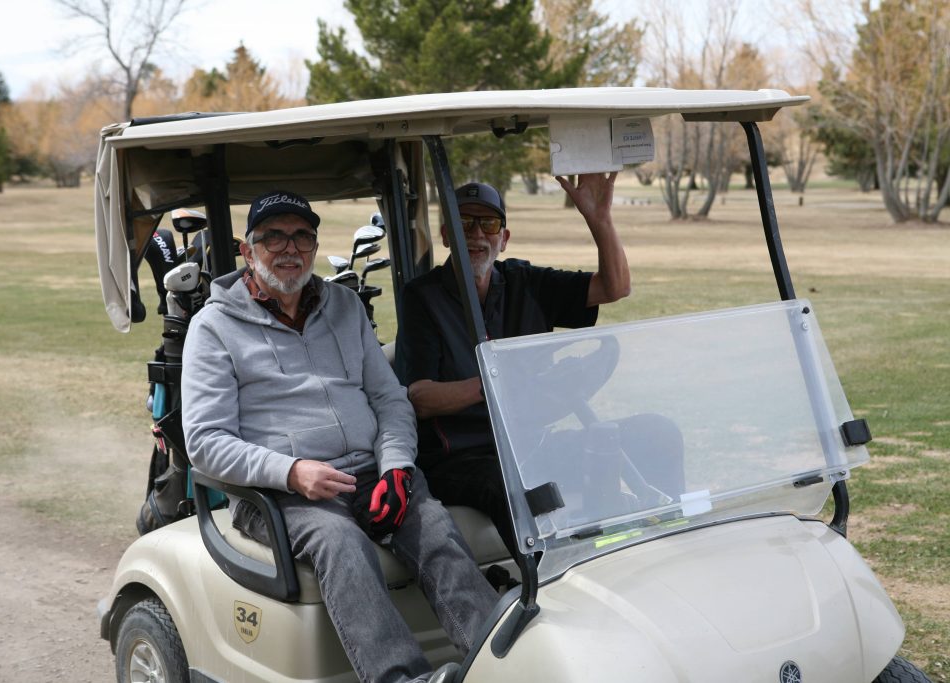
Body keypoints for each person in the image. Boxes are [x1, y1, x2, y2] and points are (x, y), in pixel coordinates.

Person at [181, 190, 499, 683]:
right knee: (341, 543)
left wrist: (396, 466)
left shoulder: (344, 307)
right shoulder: (214, 327)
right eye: (274, 238)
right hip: (279, 493)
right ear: (248, 251)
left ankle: (499, 667)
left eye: (303, 237)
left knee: (435, 529)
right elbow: (204, 440)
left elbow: (391, 400)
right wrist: (291, 471)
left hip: (371, 472)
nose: (291, 249)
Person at [395, 174, 684, 559]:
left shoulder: (525, 282)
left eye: (489, 224)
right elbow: (421, 396)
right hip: (459, 457)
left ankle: (675, 546)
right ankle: (552, 582)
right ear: (447, 235)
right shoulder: (422, 297)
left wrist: (600, 220)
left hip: (530, 444)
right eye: (464, 224)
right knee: (515, 485)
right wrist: (500, 382)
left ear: (504, 237)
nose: (476, 235)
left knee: (657, 432)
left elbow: (614, 287)